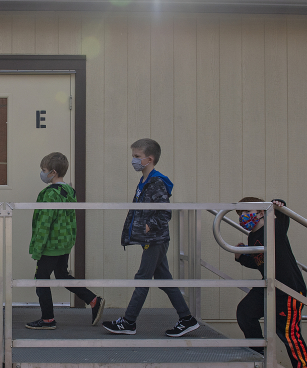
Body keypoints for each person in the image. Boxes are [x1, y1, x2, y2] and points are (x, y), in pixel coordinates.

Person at [102, 139, 199, 337]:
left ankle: (129, 322)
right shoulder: (145, 181)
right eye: (133, 157)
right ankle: (186, 318)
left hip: (154, 240)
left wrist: (149, 226)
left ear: (150, 159)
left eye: (137, 157)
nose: (134, 161)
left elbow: (164, 213)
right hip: (153, 239)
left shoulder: (156, 182)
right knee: (164, 279)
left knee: (142, 279)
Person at [234, 198, 307, 368]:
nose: (242, 216)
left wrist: (278, 205)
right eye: (240, 214)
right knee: (245, 312)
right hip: (269, 285)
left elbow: (282, 218)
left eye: (246, 212)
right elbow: (259, 262)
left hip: (289, 288)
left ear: (260, 213)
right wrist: (241, 257)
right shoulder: (252, 236)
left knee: (288, 331)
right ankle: (258, 353)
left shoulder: (274, 228)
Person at [25, 152, 104, 329]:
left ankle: (47, 319)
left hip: (50, 245)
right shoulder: (69, 191)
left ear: (52, 172)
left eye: (44, 170)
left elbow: (44, 223)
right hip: (64, 243)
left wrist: (38, 248)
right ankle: (93, 300)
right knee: (61, 274)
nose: (42, 173)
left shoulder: (49, 194)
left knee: (41, 279)